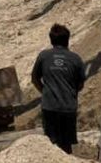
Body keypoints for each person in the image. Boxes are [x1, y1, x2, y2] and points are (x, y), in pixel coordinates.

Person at [31, 24, 86, 154]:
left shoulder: (44, 56)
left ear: (51, 40)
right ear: (68, 40)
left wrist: (45, 92)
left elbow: (34, 79)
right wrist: (70, 93)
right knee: (66, 145)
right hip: (68, 107)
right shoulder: (75, 59)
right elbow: (81, 84)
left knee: (51, 144)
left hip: (49, 106)